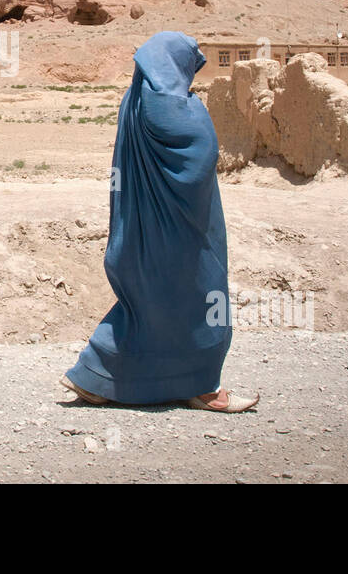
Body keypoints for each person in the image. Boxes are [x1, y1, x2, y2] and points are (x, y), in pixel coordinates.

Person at [61, 31, 258, 413]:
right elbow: (200, 150)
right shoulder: (171, 103)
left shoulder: (134, 98)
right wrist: (198, 109)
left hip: (140, 230)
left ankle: (97, 378)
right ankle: (202, 389)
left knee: (146, 306)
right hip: (182, 230)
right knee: (199, 298)